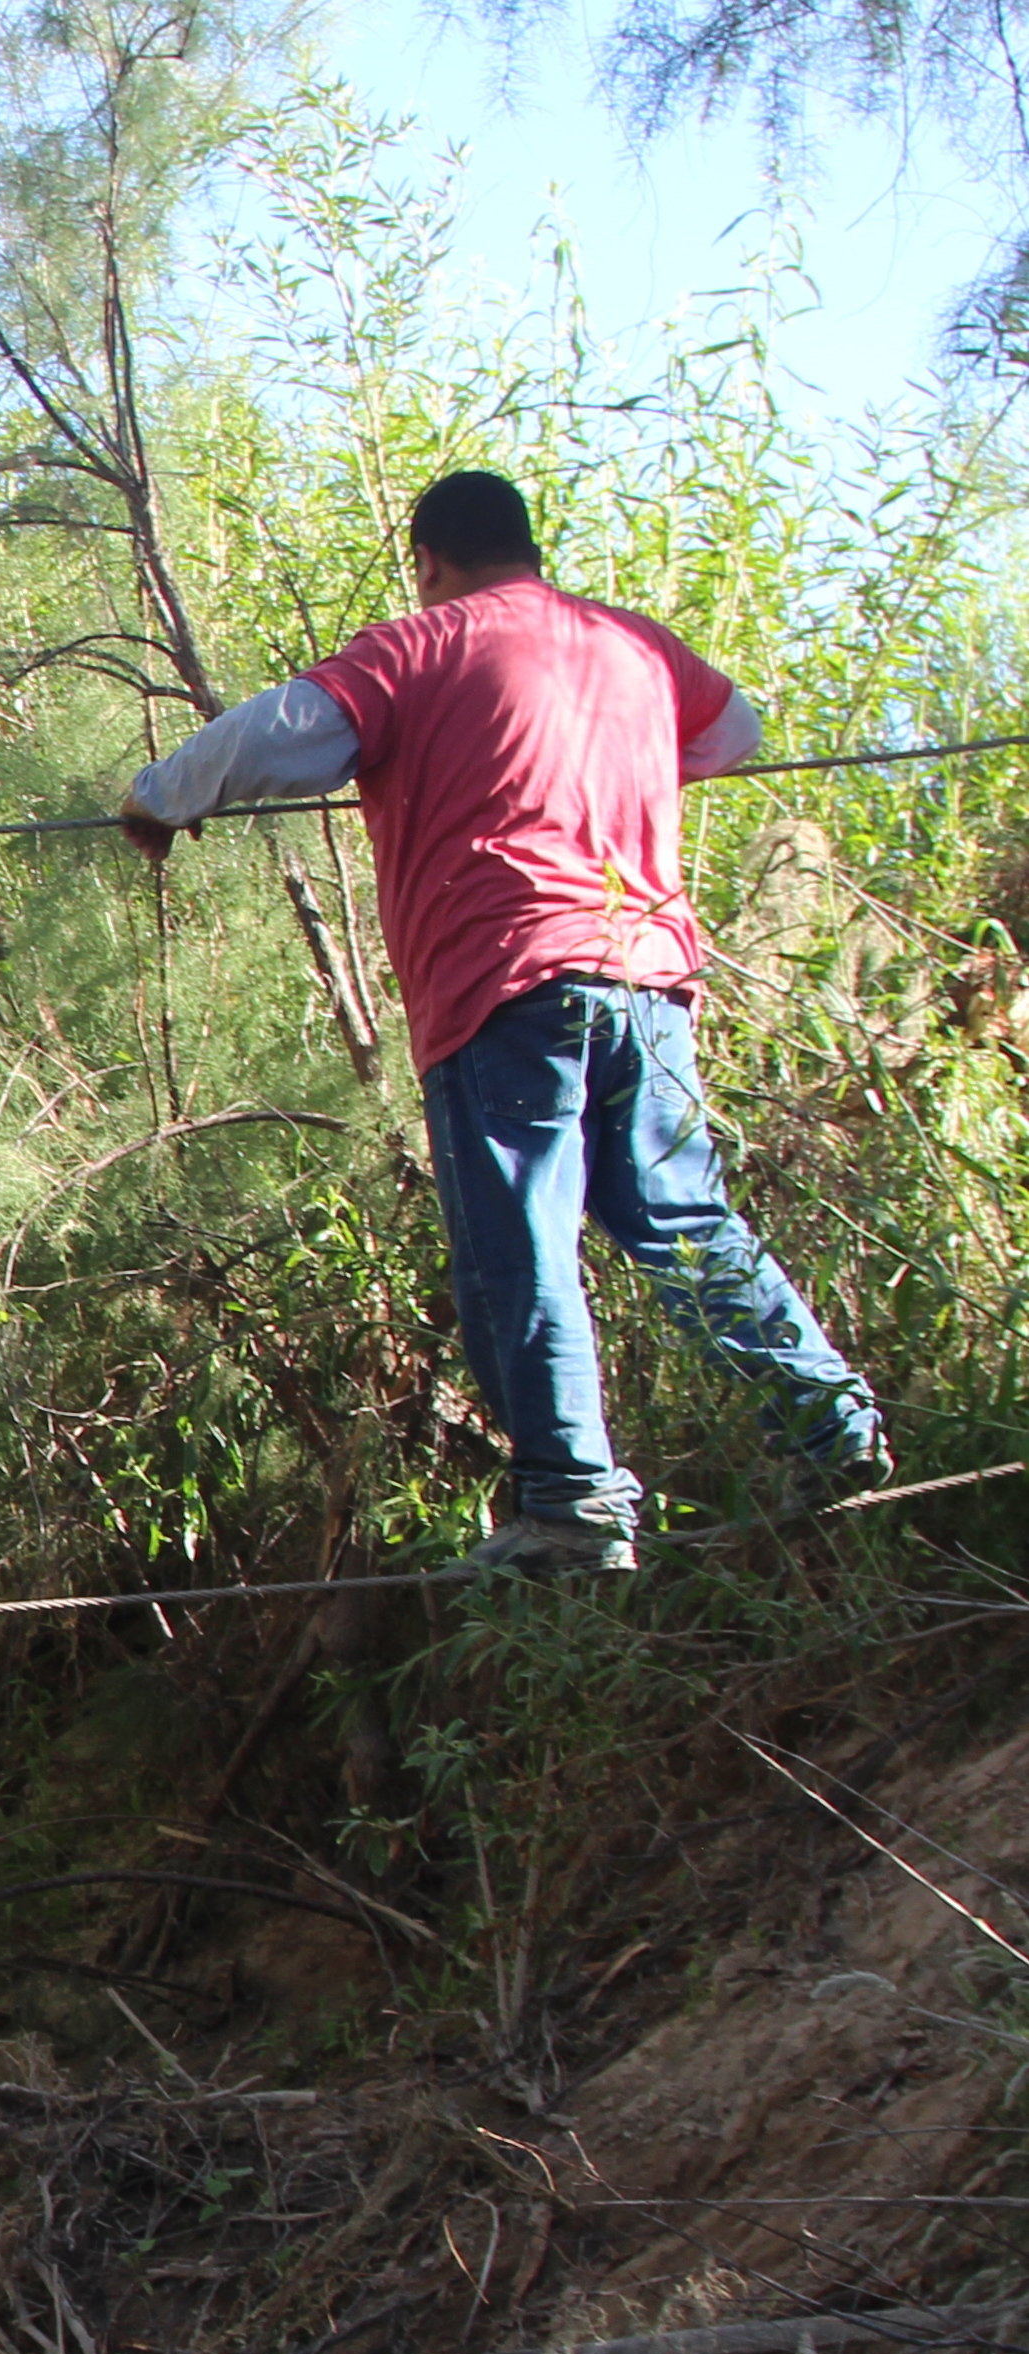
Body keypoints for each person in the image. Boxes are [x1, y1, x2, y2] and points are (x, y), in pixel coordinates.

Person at [117, 470, 884, 1579]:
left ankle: (570, 1509)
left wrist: (156, 797)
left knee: (518, 1239)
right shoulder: (631, 645)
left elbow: (273, 738)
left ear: (428, 561)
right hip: (650, 980)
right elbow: (735, 734)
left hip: (509, 983)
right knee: (677, 1214)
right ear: (527, 547)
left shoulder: (417, 647)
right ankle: (834, 1429)